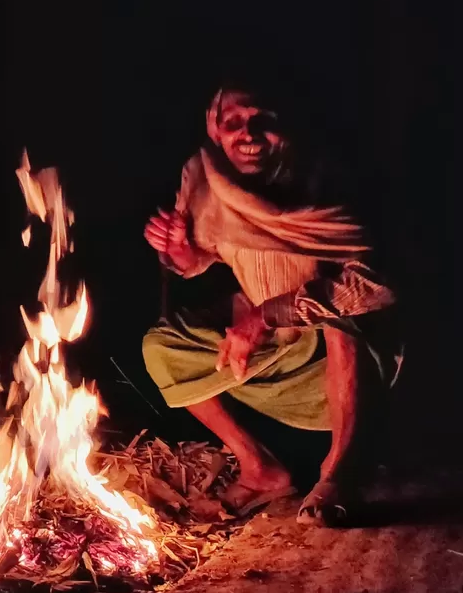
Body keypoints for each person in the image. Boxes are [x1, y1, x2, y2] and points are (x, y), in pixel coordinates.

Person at [142, 80, 401, 525]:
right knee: (161, 348)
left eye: (266, 121)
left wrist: (265, 316)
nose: (249, 134)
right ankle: (260, 469)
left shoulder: (326, 179)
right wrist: (181, 250)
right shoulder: (203, 175)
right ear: (214, 128)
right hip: (271, 346)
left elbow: (376, 287)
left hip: (337, 356)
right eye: (234, 122)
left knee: (345, 323)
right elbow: (207, 253)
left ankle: (339, 472)